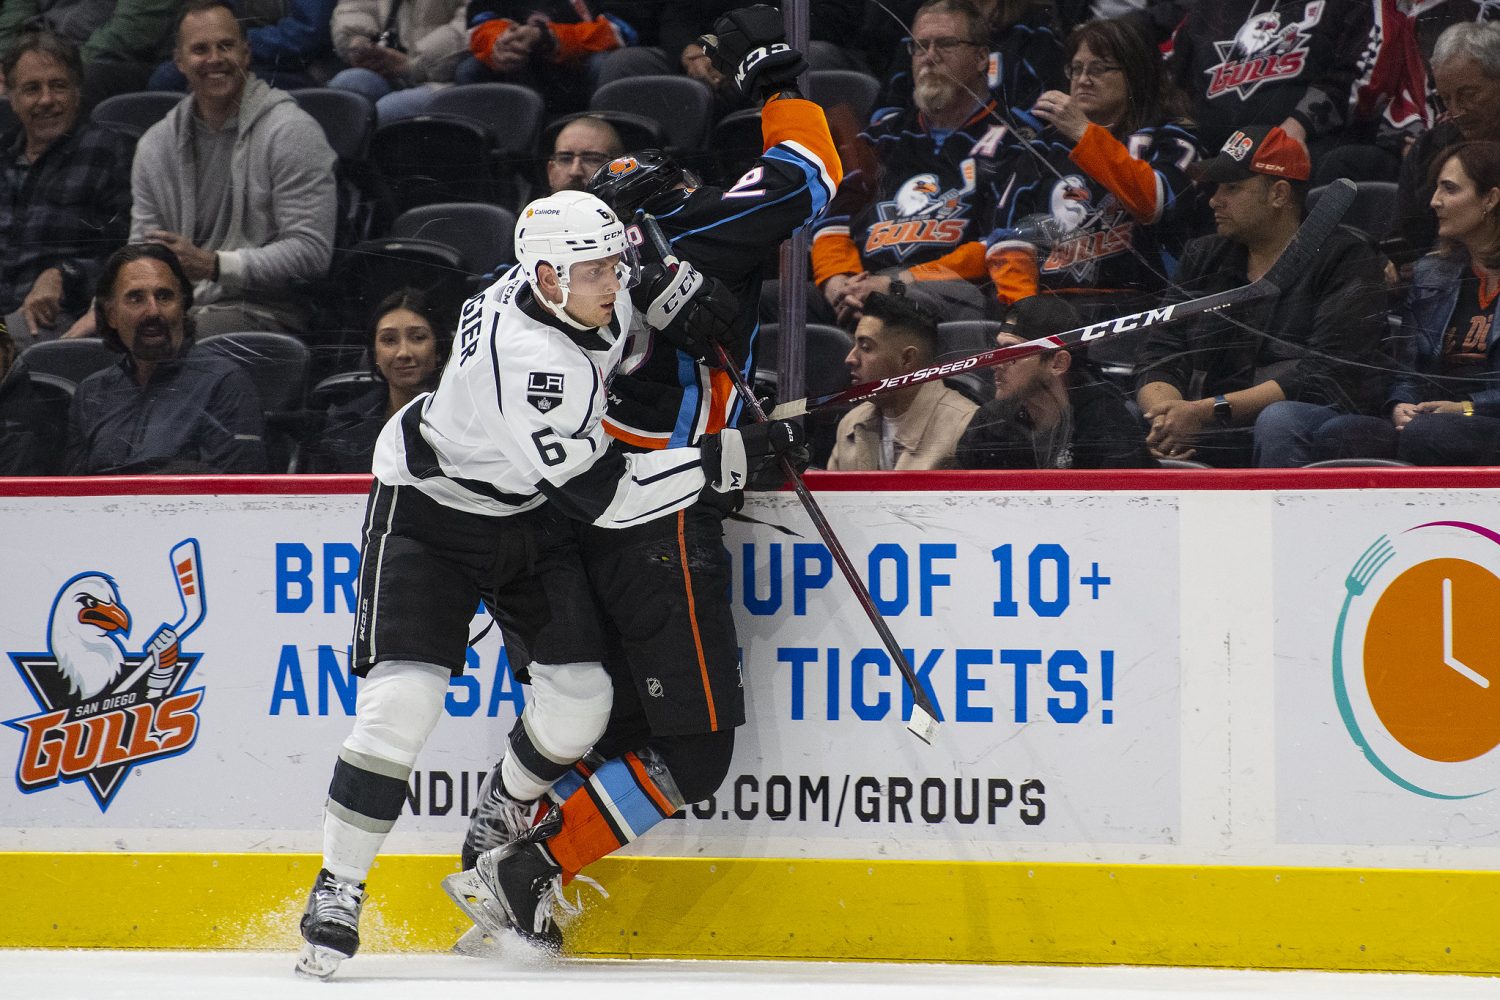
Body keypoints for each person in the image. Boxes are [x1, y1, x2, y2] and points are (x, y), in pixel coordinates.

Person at [295, 188, 801, 978]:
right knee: (404, 702)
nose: (612, 282)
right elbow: (606, 496)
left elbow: (625, 288)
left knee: (580, 705)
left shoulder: (555, 284)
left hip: (521, 514)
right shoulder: (533, 366)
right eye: (594, 271)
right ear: (550, 279)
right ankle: (337, 888)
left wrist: (666, 290)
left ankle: (501, 811)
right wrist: (718, 463)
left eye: (612, 265)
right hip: (431, 512)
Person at [444, 5, 833, 955]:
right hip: (655, 520)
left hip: (553, 513)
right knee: (693, 752)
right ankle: (525, 865)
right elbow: (808, 179)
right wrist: (777, 92)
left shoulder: (529, 282)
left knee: (592, 721)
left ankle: (503, 844)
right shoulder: (696, 234)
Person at [1133, 126, 1390, 467]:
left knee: (1278, 421)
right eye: (1216, 187)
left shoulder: (1345, 257)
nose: (1214, 199)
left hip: (1296, 418)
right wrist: (1165, 413)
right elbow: (1160, 349)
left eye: (1232, 187)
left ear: (1279, 194)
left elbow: (1323, 374)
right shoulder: (1203, 255)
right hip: (1206, 419)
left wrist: (1202, 412)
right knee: (1124, 415)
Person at [127, 0, 337, 339]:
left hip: (266, 312)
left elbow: (311, 252)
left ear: (246, 53)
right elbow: (141, 250)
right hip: (178, 309)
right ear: (179, 62)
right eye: (200, 49)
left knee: (172, 343)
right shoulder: (155, 145)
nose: (215, 59)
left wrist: (215, 266)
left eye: (225, 46)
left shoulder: (292, 132)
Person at [982, 15, 1199, 318]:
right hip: (1050, 311)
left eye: (1098, 68)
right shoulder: (1045, 147)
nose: (1083, 79)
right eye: (1076, 68)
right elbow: (1007, 239)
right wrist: (1026, 312)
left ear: (1135, 72)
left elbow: (1155, 202)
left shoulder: (1171, 135)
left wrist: (1086, 134)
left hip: (1143, 308)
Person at [1305, 141, 1500, 465]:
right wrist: (1400, 406)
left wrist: (1466, 408)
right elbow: (1406, 371)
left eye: (1449, 189)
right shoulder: (1432, 274)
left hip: (1486, 421)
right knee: (1341, 433)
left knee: (1428, 434)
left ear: (1490, 199)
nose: (1434, 201)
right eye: (1436, 188)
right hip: (1430, 420)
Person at [811, 0, 1005, 326]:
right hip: (863, 286)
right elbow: (833, 219)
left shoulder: (1012, 140)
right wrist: (838, 280)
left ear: (982, 57)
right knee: (771, 303)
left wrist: (899, 283)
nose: (929, 57)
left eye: (946, 44)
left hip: (946, 294)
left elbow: (998, 245)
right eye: (919, 47)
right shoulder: (881, 137)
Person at [63, 244, 267, 475]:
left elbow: (236, 491)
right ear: (111, 315)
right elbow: (74, 494)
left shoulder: (225, 383)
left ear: (183, 306)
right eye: (135, 298)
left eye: (164, 296)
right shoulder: (91, 392)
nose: (153, 311)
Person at [0, 32, 132, 346]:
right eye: (32, 89)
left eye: (58, 86)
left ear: (77, 91)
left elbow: (127, 253)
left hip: (50, 317)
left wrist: (65, 274)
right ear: (13, 98)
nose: (46, 99)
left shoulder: (110, 151)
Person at [956, 295, 1154, 468]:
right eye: (997, 350)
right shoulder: (990, 421)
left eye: (1012, 353)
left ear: (1058, 363)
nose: (995, 364)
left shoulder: (1107, 425)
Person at [1164, 0, 1372, 163]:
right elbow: (1178, 88)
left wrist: (1300, 124)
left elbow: (1350, 75)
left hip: (1301, 153)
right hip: (1216, 163)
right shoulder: (1209, 8)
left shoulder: (1345, 4)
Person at [300, 288, 449, 473]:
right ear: (374, 353)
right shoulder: (345, 425)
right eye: (389, 340)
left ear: (439, 350)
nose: (403, 353)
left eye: (418, 338)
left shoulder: (468, 421)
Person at [1390, 21, 1500, 266]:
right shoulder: (1429, 148)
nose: (1456, 111)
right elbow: (1403, 236)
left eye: (1468, 95)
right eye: (1446, 99)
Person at [827, 291, 978, 469]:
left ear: (907, 359)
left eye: (866, 347)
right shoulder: (851, 423)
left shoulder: (964, 427)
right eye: (855, 345)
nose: (850, 358)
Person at [454, 1, 640, 113]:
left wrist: (551, 38)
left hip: (580, 60)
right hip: (521, 61)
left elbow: (624, 28)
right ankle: (491, 166)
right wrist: (499, 42)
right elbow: (480, 18)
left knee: (605, 64)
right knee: (469, 70)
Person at [0, 0, 176, 107]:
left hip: (122, 60)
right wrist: (5, 60)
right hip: (41, 50)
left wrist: (59, 66)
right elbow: (17, 11)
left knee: (85, 78)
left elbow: (134, 28)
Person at [148, 0, 343, 93]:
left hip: (295, 66)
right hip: (240, 53)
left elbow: (308, 33)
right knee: (167, 76)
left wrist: (238, 42)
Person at [326, 0, 469, 125]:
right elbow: (355, 6)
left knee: (391, 110)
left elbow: (471, 23)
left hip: (447, 77)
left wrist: (414, 64)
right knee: (347, 86)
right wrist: (356, 39)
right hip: (389, 67)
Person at [545, 114, 623, 194]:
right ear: (550, 172)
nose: (575, 171)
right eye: (565, 159)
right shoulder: (532, 206)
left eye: (592, 159)